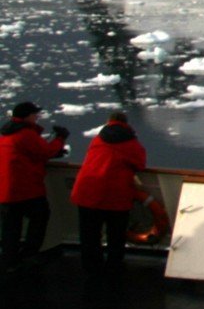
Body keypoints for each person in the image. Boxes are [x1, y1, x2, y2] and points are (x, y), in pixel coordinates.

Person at [69, 110, 147, 272]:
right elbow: (140, 164)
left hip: (87, 192)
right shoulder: (131, 144)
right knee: (116, 236)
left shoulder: (98, 140)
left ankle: (91, 269)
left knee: (89, 235)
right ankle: (113, 268)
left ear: (108, 122)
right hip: (115, 196)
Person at [0, 100, 68, 271]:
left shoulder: (6, 134)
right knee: (40, 217)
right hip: (26, 190)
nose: (37, 116)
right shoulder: (25, 134)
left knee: (10, 228)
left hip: (6, 191)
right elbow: (45, 151)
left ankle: (9, 261)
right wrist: (60, 138)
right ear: (26, 116)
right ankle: (28, 254)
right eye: (34, 114)